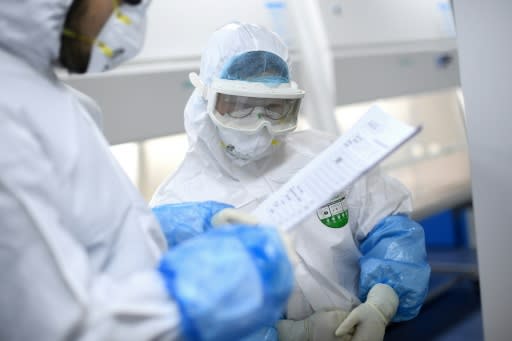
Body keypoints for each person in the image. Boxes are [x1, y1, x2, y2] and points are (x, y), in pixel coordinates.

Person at [0, 2, 294, 341]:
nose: (133, 19)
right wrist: (200, 294)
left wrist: (159, 229)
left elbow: (71, 234)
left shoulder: (40, 91)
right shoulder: (9, 117)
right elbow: (60, 327)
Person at [151, 22, 431, 341]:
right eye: (240, 106)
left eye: (275, 108)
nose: (261, 125)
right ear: (206, 98)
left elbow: (390, 228)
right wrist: (291, 333)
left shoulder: (328, 155)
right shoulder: (180, 205)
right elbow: (197, 314)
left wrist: (382, 304)